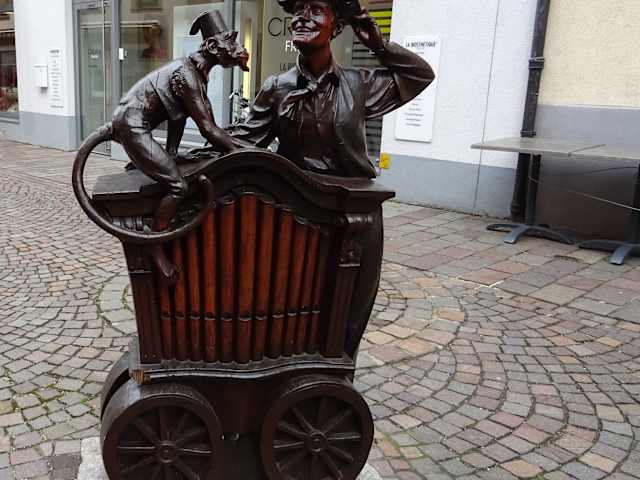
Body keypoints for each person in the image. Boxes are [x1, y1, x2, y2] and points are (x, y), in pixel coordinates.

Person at [232, 0, 435, 356]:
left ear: (337, 27)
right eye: (298, 9)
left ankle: (339, 373)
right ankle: (290, 365)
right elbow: (241, 142)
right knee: (290, 299)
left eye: (315, 9)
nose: (302, 17)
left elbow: (420, 76)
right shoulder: (277, 87)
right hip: (296, 211)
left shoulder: (359, 84)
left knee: (350, 305)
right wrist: (175, 154)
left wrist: (379, 45)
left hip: (354, 214)